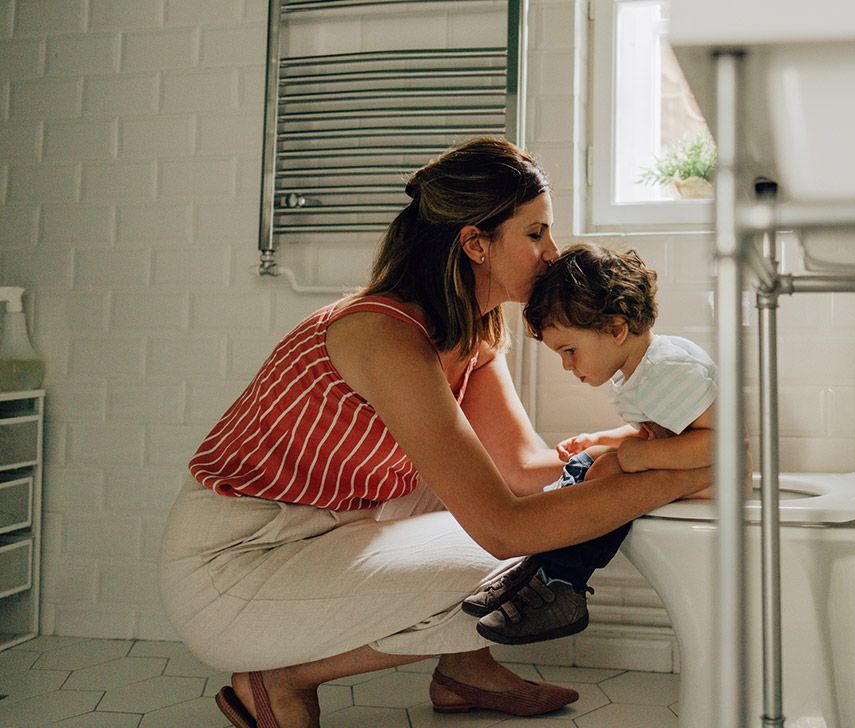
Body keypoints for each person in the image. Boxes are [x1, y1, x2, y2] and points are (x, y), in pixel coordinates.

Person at [157, 138, 712, 728]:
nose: (552, 254)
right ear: (475, 242)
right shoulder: (383, 335)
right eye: (535, 234)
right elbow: (504, 529)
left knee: (536, 507)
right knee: (530, 546)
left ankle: (465, 670)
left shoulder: (472, 333)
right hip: (238, 563)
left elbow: (523, 470)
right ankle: (280, 676)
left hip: (334, 532)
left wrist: (654, 446)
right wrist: (683, 473)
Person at [460, 242, 717, 646]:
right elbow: (662, 429)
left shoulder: (670, 369)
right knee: (584, 462)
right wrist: (606, 439)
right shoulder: (643, 369)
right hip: (685, 467)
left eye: (570, 350)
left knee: (607, 471)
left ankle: (564, 584)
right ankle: (542, 564)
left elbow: (722, 446)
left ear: (616, 329)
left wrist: (641, 454)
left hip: (715, 478)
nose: (567, 364)